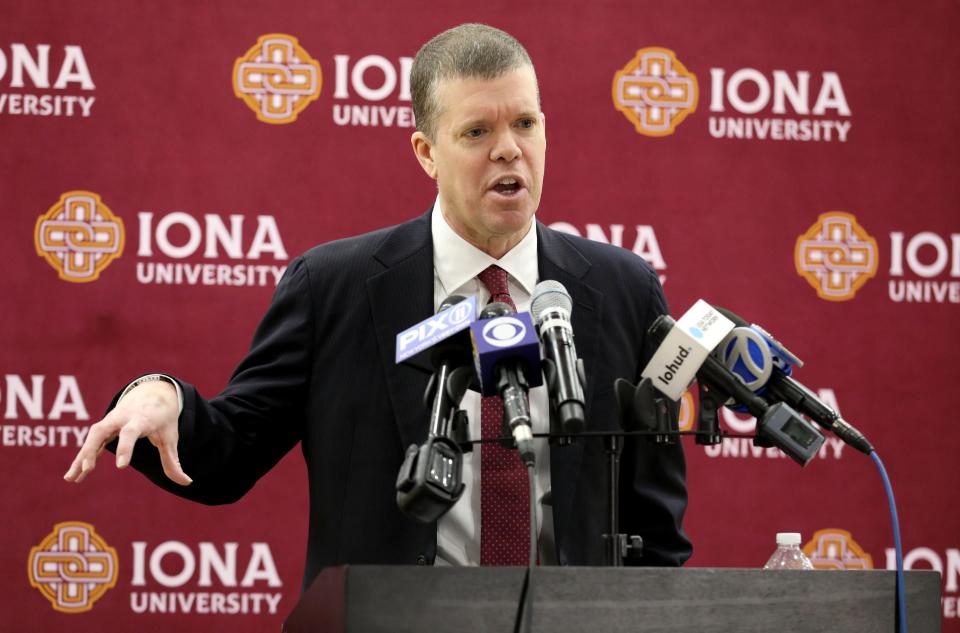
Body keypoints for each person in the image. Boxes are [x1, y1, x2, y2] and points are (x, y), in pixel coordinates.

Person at [65, 23, 691, 590]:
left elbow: (656, 522)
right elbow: (230, 452)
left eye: (525, 124)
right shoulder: (333, 287)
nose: (508, 151)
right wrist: (160, 393)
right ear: (426, 153)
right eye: (476, 132)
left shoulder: (621, 289)